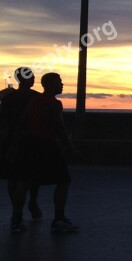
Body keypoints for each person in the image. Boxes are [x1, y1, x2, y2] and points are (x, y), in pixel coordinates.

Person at [10, 73, 78, 233]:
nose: (62, 84)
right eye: (59, 82)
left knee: (23, 181)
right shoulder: (54, 103)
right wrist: (70, 147)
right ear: (50, 85)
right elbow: (60, 128)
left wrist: (14, 145)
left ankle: (16, 219)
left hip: (29, 143)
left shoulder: (34, 101)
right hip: (46, 144)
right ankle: (59, 219)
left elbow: (22, 123)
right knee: (64, 180)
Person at [0, 67, 42, 221]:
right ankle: (31, 203)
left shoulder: (7, 98)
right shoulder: (36, 98)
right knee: (32, 176)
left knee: (14, 177)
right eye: (31, 76)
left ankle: (17, 209)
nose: (33, 79)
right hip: (31, 139)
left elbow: (3, 120)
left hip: (10, 139)